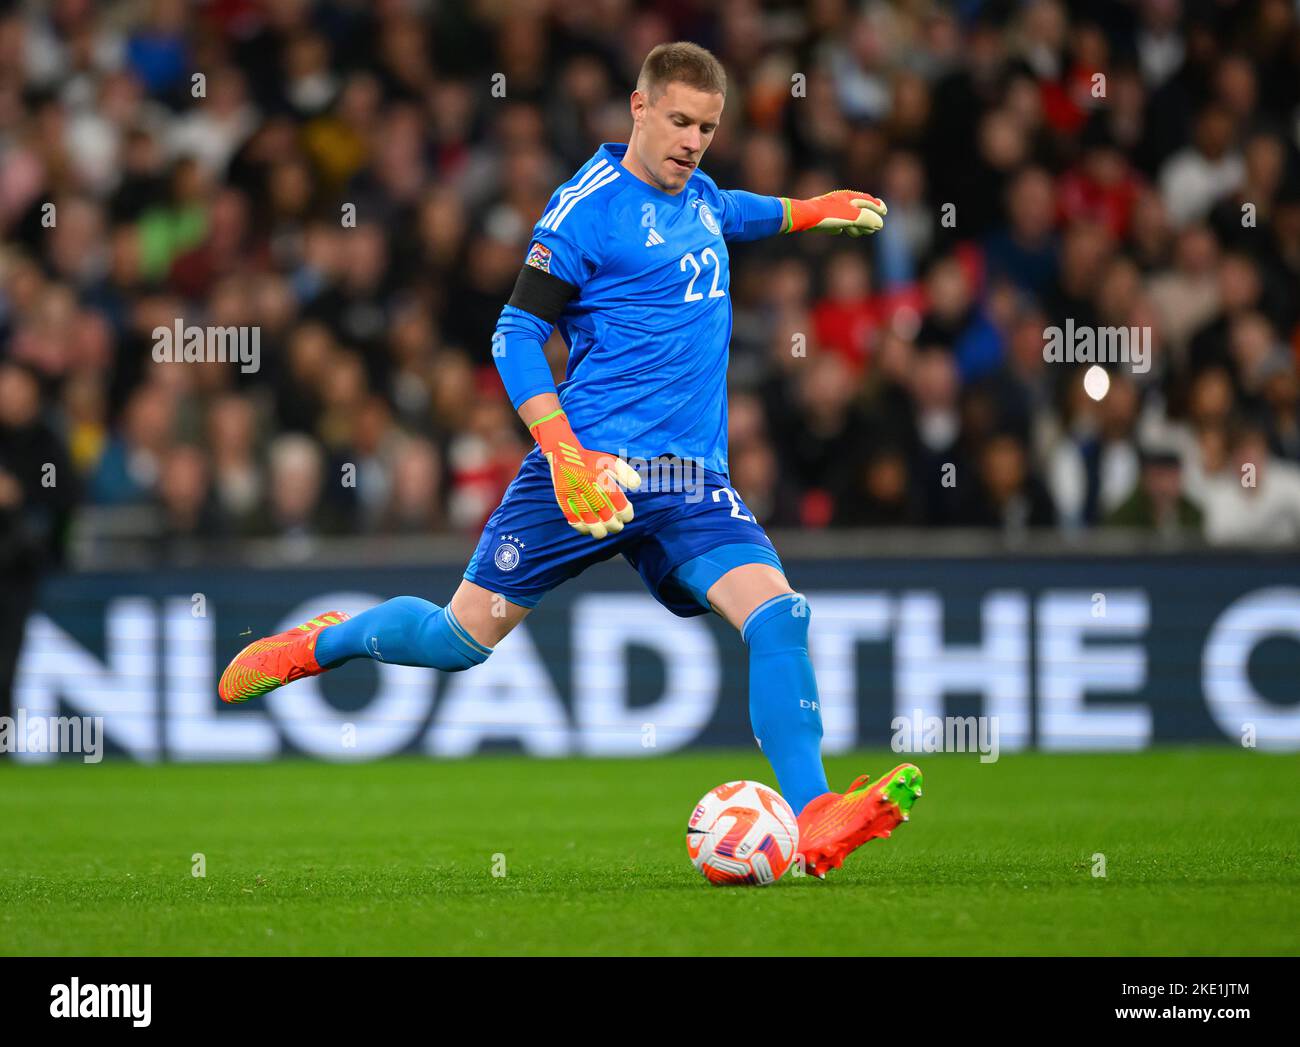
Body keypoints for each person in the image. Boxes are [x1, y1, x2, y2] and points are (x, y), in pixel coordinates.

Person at [218, 42, 921, 878]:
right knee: (458, 640)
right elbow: (514, 332)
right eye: (680, 121)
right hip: (587, 470)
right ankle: (324, 644)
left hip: (689, 479)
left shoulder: (697, 195)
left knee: (779, 614)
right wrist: (562, 454)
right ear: (638, 106)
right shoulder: (585, 209)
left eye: (708, 126)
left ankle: (813, 817)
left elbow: (735, 210)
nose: (694, 140)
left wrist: (811, 210)